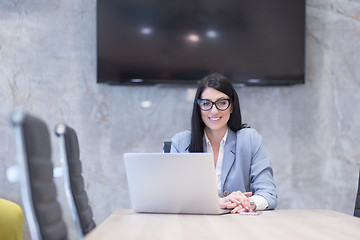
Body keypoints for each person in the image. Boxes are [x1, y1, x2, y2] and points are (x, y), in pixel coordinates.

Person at [171, 73, 277, 214]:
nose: (214, 111)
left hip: (238, 224)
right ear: (198, 108)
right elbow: (172, 196)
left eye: (221, 102)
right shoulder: (180, 142)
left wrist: (248, 203)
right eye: (206, 103)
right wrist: (220, 202)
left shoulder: (249, 139)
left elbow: (268, 193)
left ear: (232, 106)